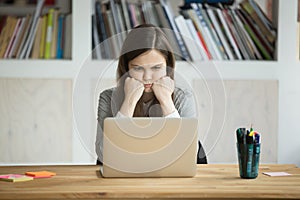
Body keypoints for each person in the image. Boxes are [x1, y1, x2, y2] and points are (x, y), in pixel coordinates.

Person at [96, 24, 207, 165]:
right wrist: (128, 103)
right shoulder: (108, 97)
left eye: (156, 68)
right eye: (138, 68)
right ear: (126, 67)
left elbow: (189, 155)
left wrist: (167, 102)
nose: (147, 77)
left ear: (168, 67)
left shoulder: (183, 97)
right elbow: (103, 154)